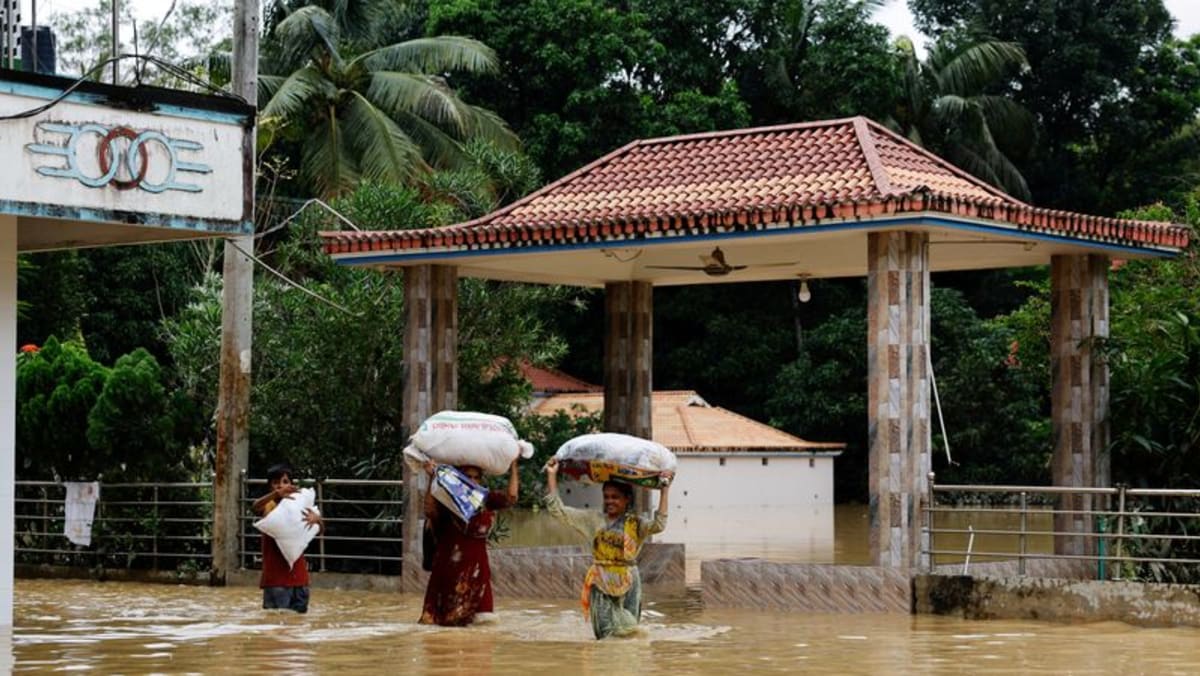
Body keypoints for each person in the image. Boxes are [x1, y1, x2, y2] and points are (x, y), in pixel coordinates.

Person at [542, 458, 672, 639]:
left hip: (629, 579)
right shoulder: (592, 520)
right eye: (607, 497)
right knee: (605, 635)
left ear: (627, 500)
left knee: (631, 632)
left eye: (615, 497)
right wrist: (551, 475)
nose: (610, 501)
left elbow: (659, 524)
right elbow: (558, 510)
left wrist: (665, 489)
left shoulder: (636, 524)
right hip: (601, 579)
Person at [419, 459, 519, 626]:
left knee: (482, 626)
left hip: (478, 573)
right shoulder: (448, 500)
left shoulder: (486, 499)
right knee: (443, 626)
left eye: (476, 477)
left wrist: (514, 465)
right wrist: (432, 477)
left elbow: (511, 497)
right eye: (468, 476)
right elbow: (430, 510)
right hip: (448, 571)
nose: (472, 481)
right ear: (459, 478)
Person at [251, 462, 323, 614]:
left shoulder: (300, 504)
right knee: (276, 625)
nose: (281, 486)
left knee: (298, 625)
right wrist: (276, 495)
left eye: (285, 482)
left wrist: (317, 520)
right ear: (270, 486)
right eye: (276, 483)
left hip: (300, 579)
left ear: (291, 484)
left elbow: (321, 530)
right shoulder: (269, 506)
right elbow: (255, 507)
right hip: (276, 579)